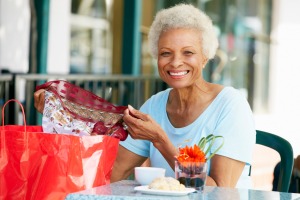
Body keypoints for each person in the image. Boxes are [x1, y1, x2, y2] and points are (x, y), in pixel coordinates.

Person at [34, 4, 256, 189]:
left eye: (188, 52)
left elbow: (216, 190)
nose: (176, 62)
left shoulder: (231, 106)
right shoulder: (156, 105)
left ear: (205, 58)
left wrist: (160, 139)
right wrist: (61, 115)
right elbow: (113, 173)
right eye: (165, 53)